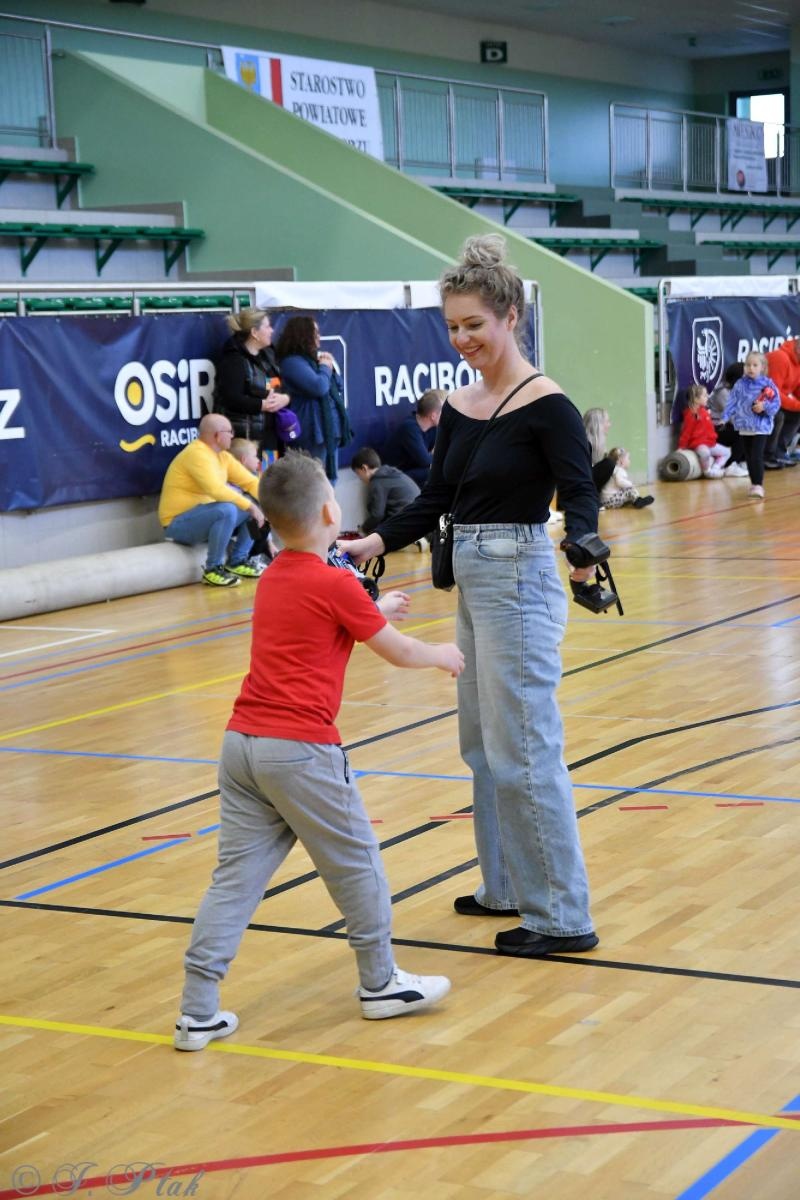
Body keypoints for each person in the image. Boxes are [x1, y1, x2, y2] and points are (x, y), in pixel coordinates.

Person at [340, 234, 600, 960]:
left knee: (523, 748)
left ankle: (561, 915)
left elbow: (580, 493)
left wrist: (583, 550)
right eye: (452, 327)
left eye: (473, 325)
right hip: (472, 574)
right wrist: (377, 543)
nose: (461, 340)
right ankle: (507, 888)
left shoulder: (549, 405)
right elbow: (438, 498)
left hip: (519, 575)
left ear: (510, 316)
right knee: (483, 747)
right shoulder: (458, 405)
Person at [174, 451, 464, 1050]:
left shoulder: (274, 575)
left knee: (235, 880)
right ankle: (380, 982)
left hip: (241, 748)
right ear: (333, 510)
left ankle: (197, 1009)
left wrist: (372, 611)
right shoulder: (335, 582)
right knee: (357, 862)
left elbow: (319, 626)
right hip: (300, 751)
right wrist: (441, 654)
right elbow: (399, 652)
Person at [158, 414, 266, 587]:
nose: (232, 435)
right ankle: (212, 569)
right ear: (217, 435)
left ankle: (238, 561)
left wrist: (269, 503)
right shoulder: (196, 454)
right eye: (230, 431)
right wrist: (250, 506)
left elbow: (250, 482)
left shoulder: (223, 456)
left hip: (205, 517)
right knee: (230, 509)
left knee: (256, 505)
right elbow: (215, 490)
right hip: (177, 524)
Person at [275, 315, 352, 481]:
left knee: (329, 481)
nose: (319, 337)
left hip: (329, 431)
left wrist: (328, 367)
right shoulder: (292, 362)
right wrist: (325, 367)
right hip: (313, 431)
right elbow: (319, 387)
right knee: (314, 484)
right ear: (303, 335)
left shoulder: (314, 359)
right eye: (314, 333)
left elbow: (337, 385)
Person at [213, 308, 291, 458]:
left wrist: (285, 399)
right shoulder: (234, 361)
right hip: (246, 440)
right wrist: (262, 405)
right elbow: (231, 398)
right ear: (254, 332)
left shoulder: (269, 355)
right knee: (249, 480)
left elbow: (284, 385)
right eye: (267, 326)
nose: (272, 330)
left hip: (271, 436)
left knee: (268, 478)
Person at [721, 350, 780, 500]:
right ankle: (754, 484)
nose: (751, 368)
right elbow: (732, 402)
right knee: (748, 456)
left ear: (762, 367)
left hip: (761, 427)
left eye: (755, 365)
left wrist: (764, 406)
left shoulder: (768, 384)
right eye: (748, 365)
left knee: (756, 455)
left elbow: (776, 403)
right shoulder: (740, 384)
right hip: (744, 426)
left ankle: (759, 485)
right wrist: (725, 416)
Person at [383, 388, 445, 487]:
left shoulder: (433, 428)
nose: (446, 415)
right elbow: (426, 461)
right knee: (435, 470)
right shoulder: (409, 428)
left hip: (414, 470)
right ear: (433, 416)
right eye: (443, 412)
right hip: (396, 476)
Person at [350, 447, 420, 534]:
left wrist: (363, 529)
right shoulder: (390, 473)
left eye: (358, 473)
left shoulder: (377, 482)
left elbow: (377, 515)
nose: (360, 478)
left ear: (364, 468)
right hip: (418, 519)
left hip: (405, 523)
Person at [229, 437, 276, 563]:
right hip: (227, 526)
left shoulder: (252, 479)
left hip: (241, 525)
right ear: (244, 460)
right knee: (255, 512)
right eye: (255, 456)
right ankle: (248, 556)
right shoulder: (228, 482)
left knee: (263, 521)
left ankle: (257, 554)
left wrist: (270, 542)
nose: (258, 460)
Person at [678, 385, 731, 477]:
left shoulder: (704, 411)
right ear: (696, 399)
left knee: (727, 452)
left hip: (710, 443)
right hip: (699, 444)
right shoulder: (692, 414)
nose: (707, 397)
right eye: (705, 395)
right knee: (705, 453)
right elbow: (686, 432)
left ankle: (715, 468)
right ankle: (707, 471)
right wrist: (681, 447)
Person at [765, 338, 800, 468]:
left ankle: (779, 452)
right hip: (758, 400)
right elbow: (773, 393)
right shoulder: (780, 358)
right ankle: (767, 456)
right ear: (798, 349)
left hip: (772, 401)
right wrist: (797, 405)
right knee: (778, 415)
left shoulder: (798, 362)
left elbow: (797, 389)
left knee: (797, 415)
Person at [709, 363, 748, 476]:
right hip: (715, 430)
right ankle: (730, 465)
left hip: (727, 427)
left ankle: (742, 461)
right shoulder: (723, 392)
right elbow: (734, 418)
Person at [583, 407, 615, 494]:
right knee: (609, 463)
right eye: (607, 421)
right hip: (576, 488)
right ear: (598, 424)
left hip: (585, 483)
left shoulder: (597, 444)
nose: (610, 425)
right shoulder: (585, 444)